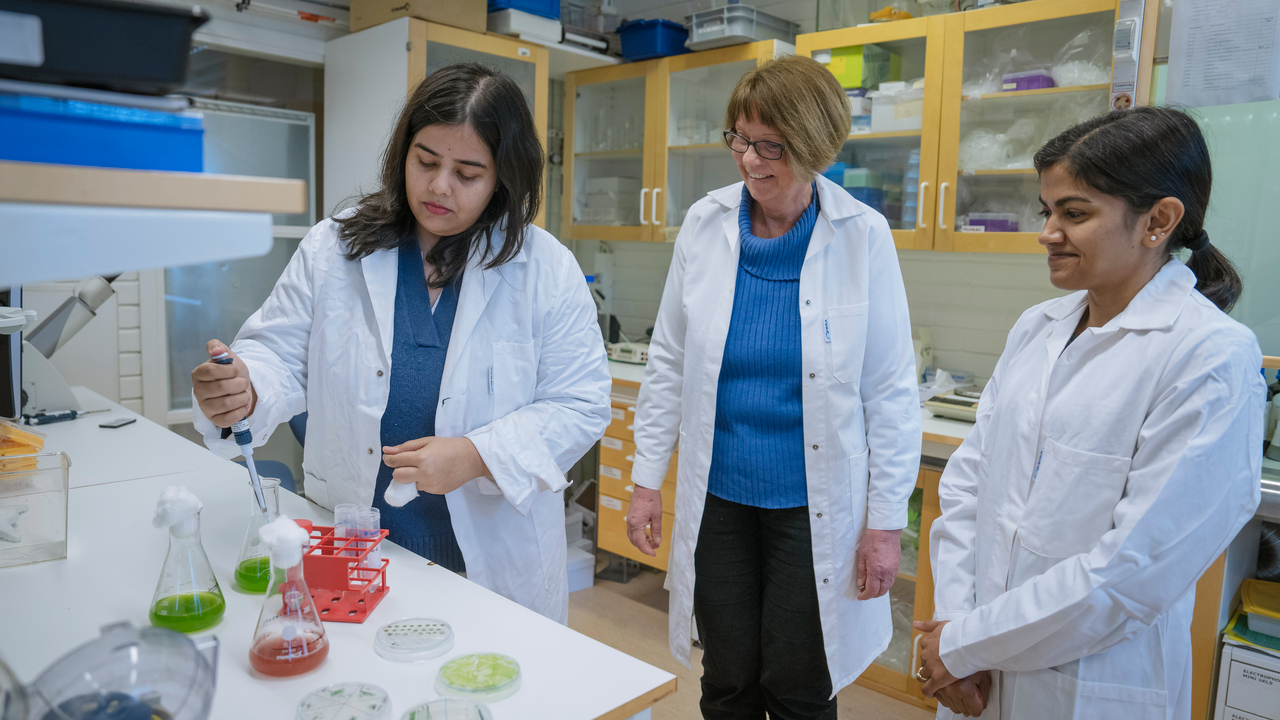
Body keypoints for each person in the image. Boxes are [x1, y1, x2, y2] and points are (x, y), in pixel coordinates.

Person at [189, 64, 611, 623]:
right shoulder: (334, 247)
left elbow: (580, 403)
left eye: (468, 172)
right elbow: (279, 356)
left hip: (488, 559)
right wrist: (243, 388)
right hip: (355, 547)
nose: (439, 186)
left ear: (502, 179)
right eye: (426, 161)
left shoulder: (544, 269)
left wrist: (476, 455)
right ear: (402, 154)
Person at [915, 106, 1265, 719]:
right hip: (976, 670)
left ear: (1159, 220)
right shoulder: (1038, 327)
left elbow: (1131, 574)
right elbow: (968, 485)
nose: (1048, 231)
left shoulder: (1209, 357)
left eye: (1074, 213)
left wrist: (964, 645)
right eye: (1046, 210)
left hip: (1088, 692)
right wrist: (953, 628)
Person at [627, 55, 921, 718]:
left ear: (815, 146)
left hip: (811, 510)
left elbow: (891, 391)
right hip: (719, 500)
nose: (750, 160)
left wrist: (884, 524)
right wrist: (647, 480)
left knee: (798, 688)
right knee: (727, 679)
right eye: (740, 138)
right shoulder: (704, 226)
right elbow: (669, 361)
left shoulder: (862, 238)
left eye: (771, 146)